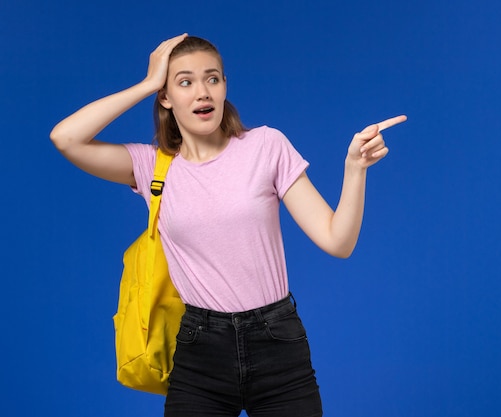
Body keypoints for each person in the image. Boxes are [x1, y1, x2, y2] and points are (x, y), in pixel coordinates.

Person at [50, 33, 406, 417]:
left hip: (278, 344)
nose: (202, 92)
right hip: (200, 349)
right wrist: (148, 83)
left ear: (224, 87)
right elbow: (66, 138)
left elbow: (338, 241)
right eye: (185, 82)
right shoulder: (152, 166)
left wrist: (354, 169)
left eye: (212, 78)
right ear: (167, 98)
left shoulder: (266, 146)